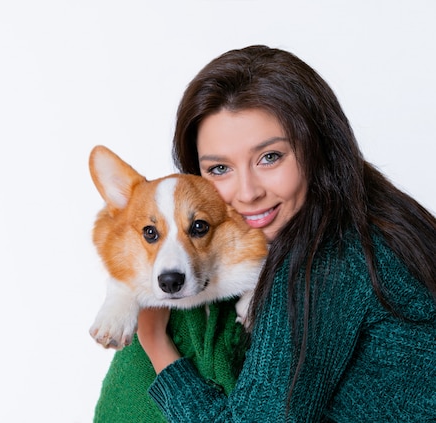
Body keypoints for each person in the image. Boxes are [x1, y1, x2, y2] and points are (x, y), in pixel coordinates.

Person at [93, 45, 436, 422]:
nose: (248, 193)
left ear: (317, 147)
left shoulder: (327, 262)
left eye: (270, 157)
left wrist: (156, 344)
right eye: (220, 168)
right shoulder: (369, 219)